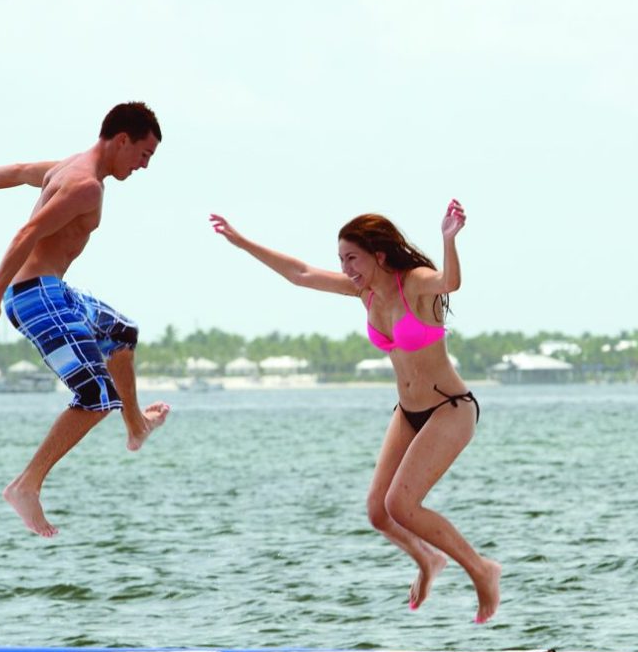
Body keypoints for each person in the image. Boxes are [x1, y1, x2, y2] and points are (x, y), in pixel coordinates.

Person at [209, 202, 501, 623]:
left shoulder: (414, 283)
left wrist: (449, 239)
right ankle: (427, 560)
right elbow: (301, 274)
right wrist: (241, 242)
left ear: (378, 255)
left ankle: (481, 569)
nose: (346, 268)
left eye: (352, 258)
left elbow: (449, 281)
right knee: (379, 513)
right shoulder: (364, 293)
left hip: (449, 409)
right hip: (408, 411)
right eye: (341, 260)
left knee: (402, 505)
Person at [0, 102, 170, 538]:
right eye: (143, 155)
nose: (144, 166)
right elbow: (26, 233)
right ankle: (26, 485)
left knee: (122, 333)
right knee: (95, 395)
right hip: (34, 297)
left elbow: (16, 171)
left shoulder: (69, 167)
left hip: (54, 292)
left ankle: (136, 426)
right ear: (122, 140)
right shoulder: (86, 185)